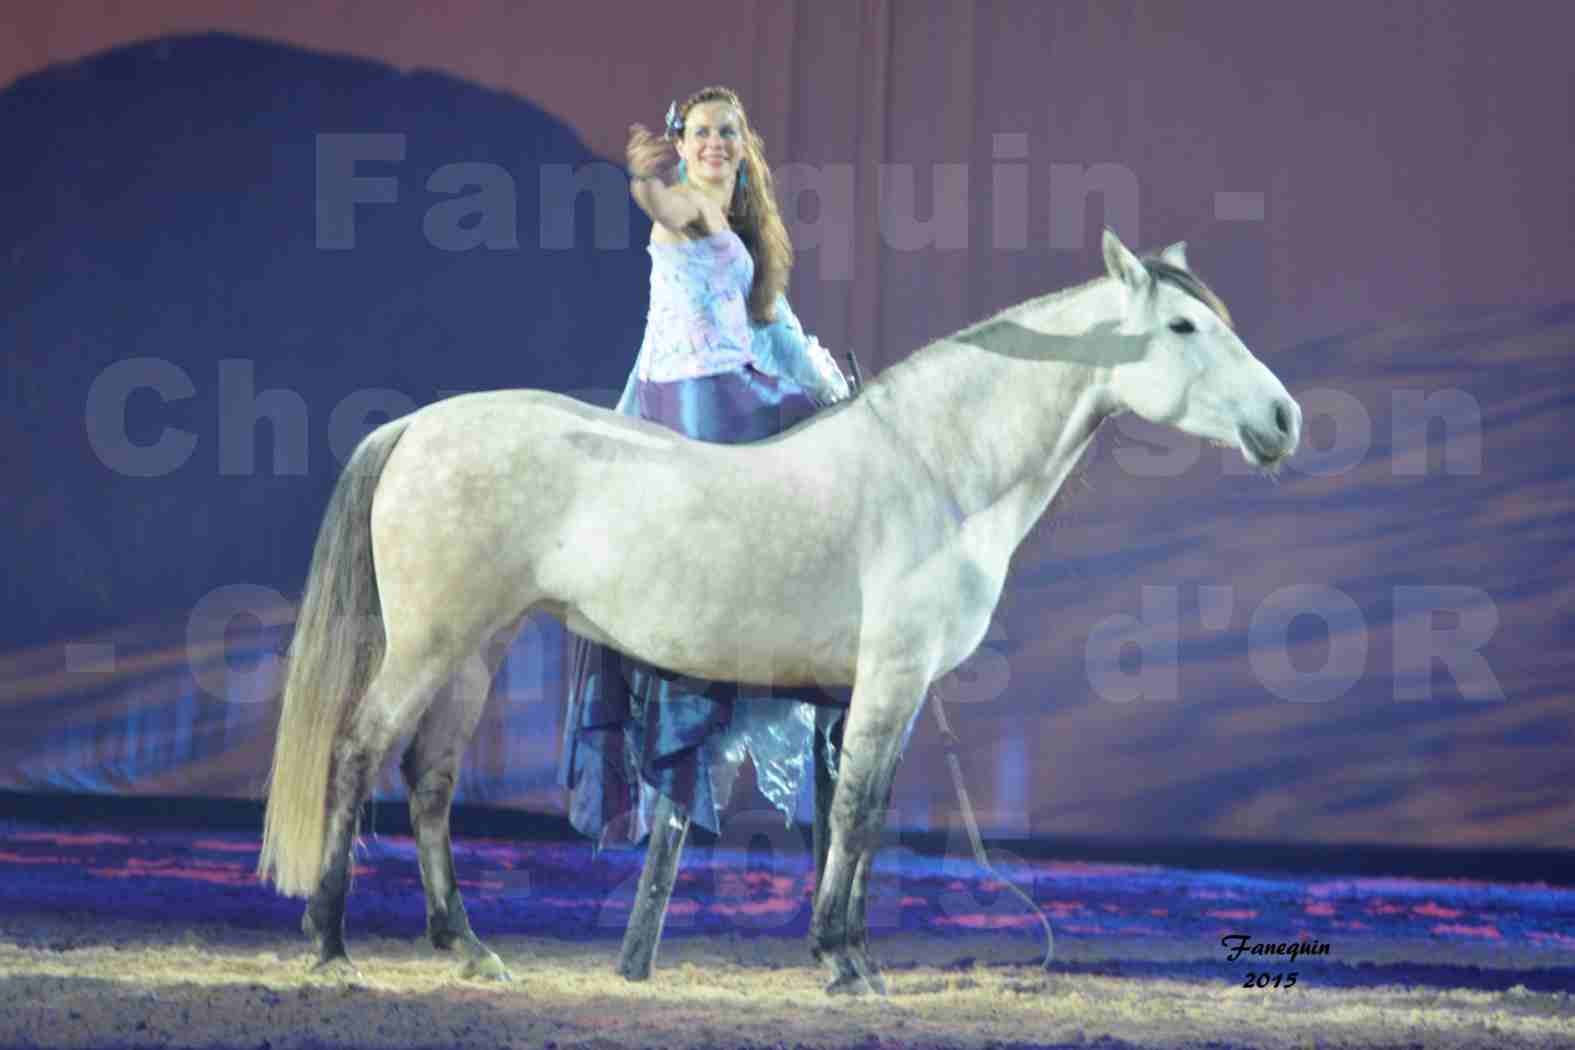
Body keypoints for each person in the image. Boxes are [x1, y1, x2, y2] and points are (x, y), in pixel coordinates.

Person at [560, 87, 851, 852]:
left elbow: (777, 329)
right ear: (681, 145)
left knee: (826, 427)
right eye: (700, 133)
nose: (715, 142)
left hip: (725, 383)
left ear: (743, 143)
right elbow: (659, 204)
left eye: (727, 132)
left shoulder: (741, 229)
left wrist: (829, 389)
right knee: (808, 437)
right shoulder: (686, 204)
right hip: (692, 392)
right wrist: (645, 175)